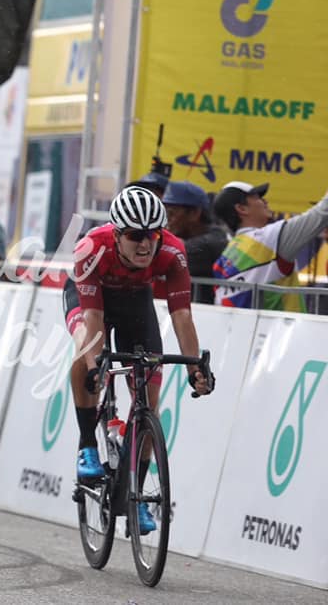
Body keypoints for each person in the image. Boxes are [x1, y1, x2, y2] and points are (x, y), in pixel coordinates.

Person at [65, 186, 213, 534]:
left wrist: (194, 367)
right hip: (92, 300)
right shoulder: (92, 248)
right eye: (135, 236)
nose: (146, 245)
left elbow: (181, 316)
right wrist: (94, 368)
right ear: (116, 234)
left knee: (149, 401)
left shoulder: (173, 253)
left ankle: (136, 496)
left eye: (153, 235)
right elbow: (94, 320)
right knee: (84, 346)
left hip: (135, 304)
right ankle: (88, 444)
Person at [213, 181, 328, 311]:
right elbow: (322, 212)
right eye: (258, 198)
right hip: (284, 330)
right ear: (242, 208)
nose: (265, 201)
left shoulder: (224, 258)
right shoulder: (270, 238)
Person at [161, 181, 228, 304]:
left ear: (194, 213)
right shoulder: (208, 237)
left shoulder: (209, 244)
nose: (166, 220)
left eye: (171, 213)